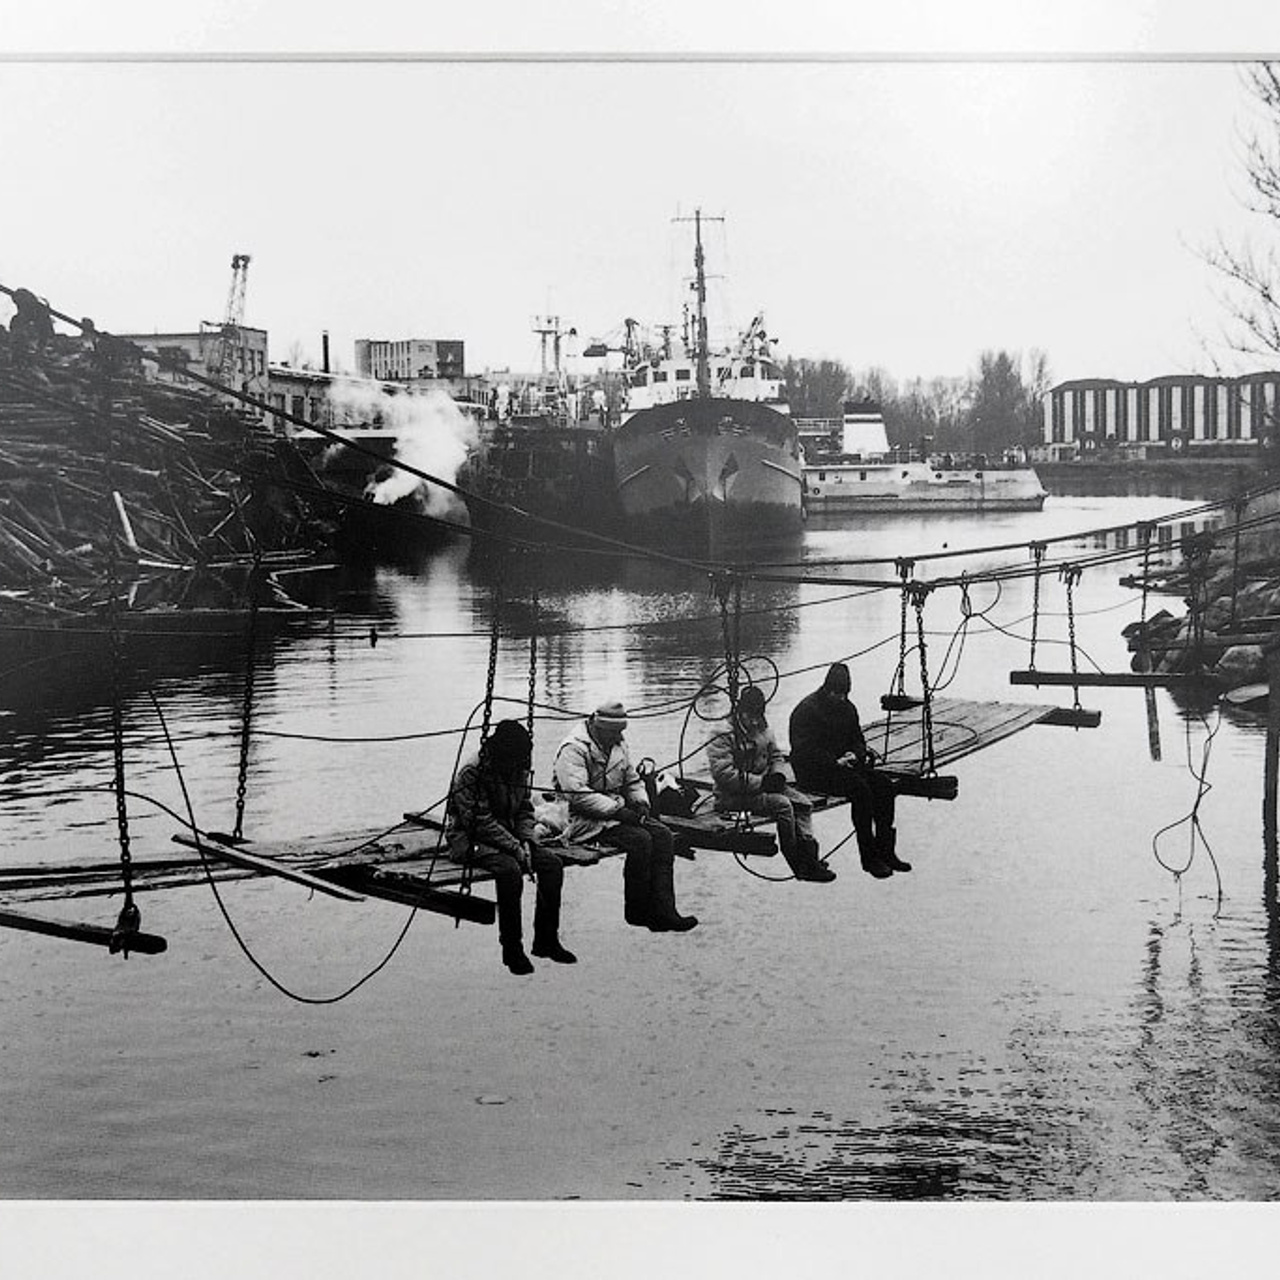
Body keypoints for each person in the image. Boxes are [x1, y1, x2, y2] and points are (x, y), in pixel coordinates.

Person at [553, 698, 698, 932]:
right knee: (640, 840)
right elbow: (577, 795)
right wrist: (619, 812)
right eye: (612, 733)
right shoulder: (574, 749)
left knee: (663, 835)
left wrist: (640, 802)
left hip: (613, 812)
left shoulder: (618, 744)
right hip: (580, 818)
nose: (617, 737)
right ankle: (637, 910)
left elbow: (631, 780)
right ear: (598, 727)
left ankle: (665, 910)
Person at [446, 719, 576, 975]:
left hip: (511, 835)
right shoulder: (472, 772)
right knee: (509, 871)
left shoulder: (518, 766)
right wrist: (515, 848)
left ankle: (546, 940)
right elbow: (478, 821)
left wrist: (527, 840)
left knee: (552, 865)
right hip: (469, 839)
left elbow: (525, 810)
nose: (517, 767)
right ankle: (511, 948)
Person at [788, 662, 911, 879]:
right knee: (860, 791)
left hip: (845, 767)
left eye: (844, 694)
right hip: (815, 772)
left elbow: (858, 740)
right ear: (827, 689)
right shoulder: (807, 710)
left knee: (883, 785)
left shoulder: (848, 708)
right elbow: (804, 750)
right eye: (836, 693)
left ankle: (886, 850)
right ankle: (869, 857)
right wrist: (834, 761)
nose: (840, 698)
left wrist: (856, 754)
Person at [706, 686, 834, 883]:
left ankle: (810, 858)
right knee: (783, 806)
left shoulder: (762, 728)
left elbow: (776, 756)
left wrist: (778, 775)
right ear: (741, 712)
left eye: (758, 715)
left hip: (763, 785)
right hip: (733, 795)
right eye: (751, 715)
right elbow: (724, 774)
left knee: (804, 804)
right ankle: (797, 864)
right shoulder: (722, 733)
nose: (755, 721)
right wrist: (762, 783)